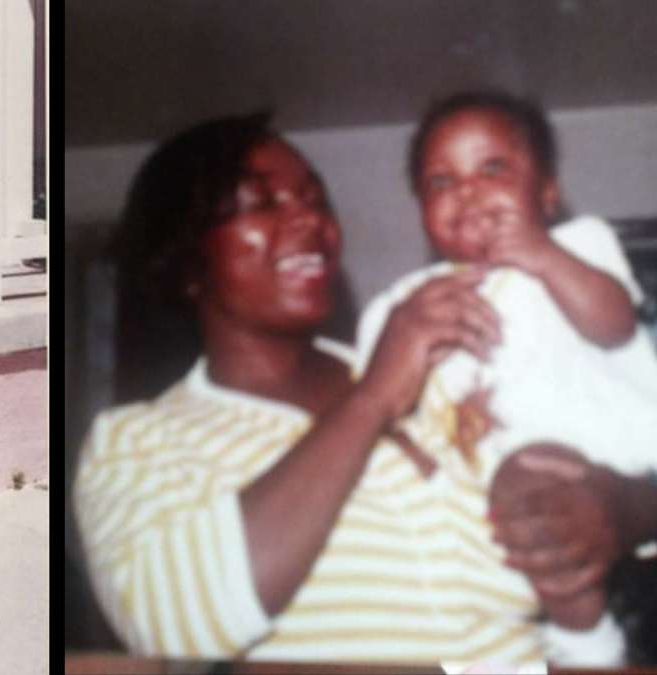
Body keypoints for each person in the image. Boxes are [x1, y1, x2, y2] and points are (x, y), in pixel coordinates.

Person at [72, 111, 657, 667]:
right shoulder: (136, 439)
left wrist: (620, 508)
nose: (310, 221)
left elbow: (591, 456)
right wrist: (373, 398)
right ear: (185, 261)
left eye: (314, 198)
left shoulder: (446, 376)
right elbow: (174, 622)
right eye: (264, 203)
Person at [353, 90, 657, 664]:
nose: (467, 190)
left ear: (546, 193)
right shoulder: (403, 303)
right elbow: (378, 405)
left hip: (593, 451)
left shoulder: (577, 246)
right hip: (481, 500)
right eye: (441, 182)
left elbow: (614, 325)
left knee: (533, 479)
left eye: (492, 168)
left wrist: (543, 255)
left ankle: (587, 645)